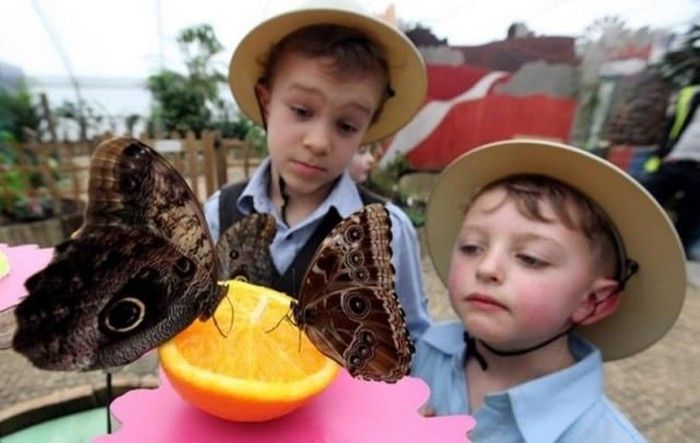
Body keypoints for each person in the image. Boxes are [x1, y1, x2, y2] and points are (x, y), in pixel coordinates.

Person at [412, 139, 686, 441]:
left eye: (530, 258)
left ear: (594, 300)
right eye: (471, 247)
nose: (486, 268)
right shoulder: (420, 356)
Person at [204, 0, 431, 339]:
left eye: (347, 125)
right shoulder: (219, 212)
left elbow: (411, 340)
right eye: (301, 111)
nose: (319, 141)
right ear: (267, 103)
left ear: (367, 128)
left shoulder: (389, 232)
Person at [638, 75, 700, 260]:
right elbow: (673, 124)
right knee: (644, 197)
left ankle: (678, 255)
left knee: (691, 214)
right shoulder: (691, 94)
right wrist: (664, 152)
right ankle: (626, 234)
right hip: (675, 159)